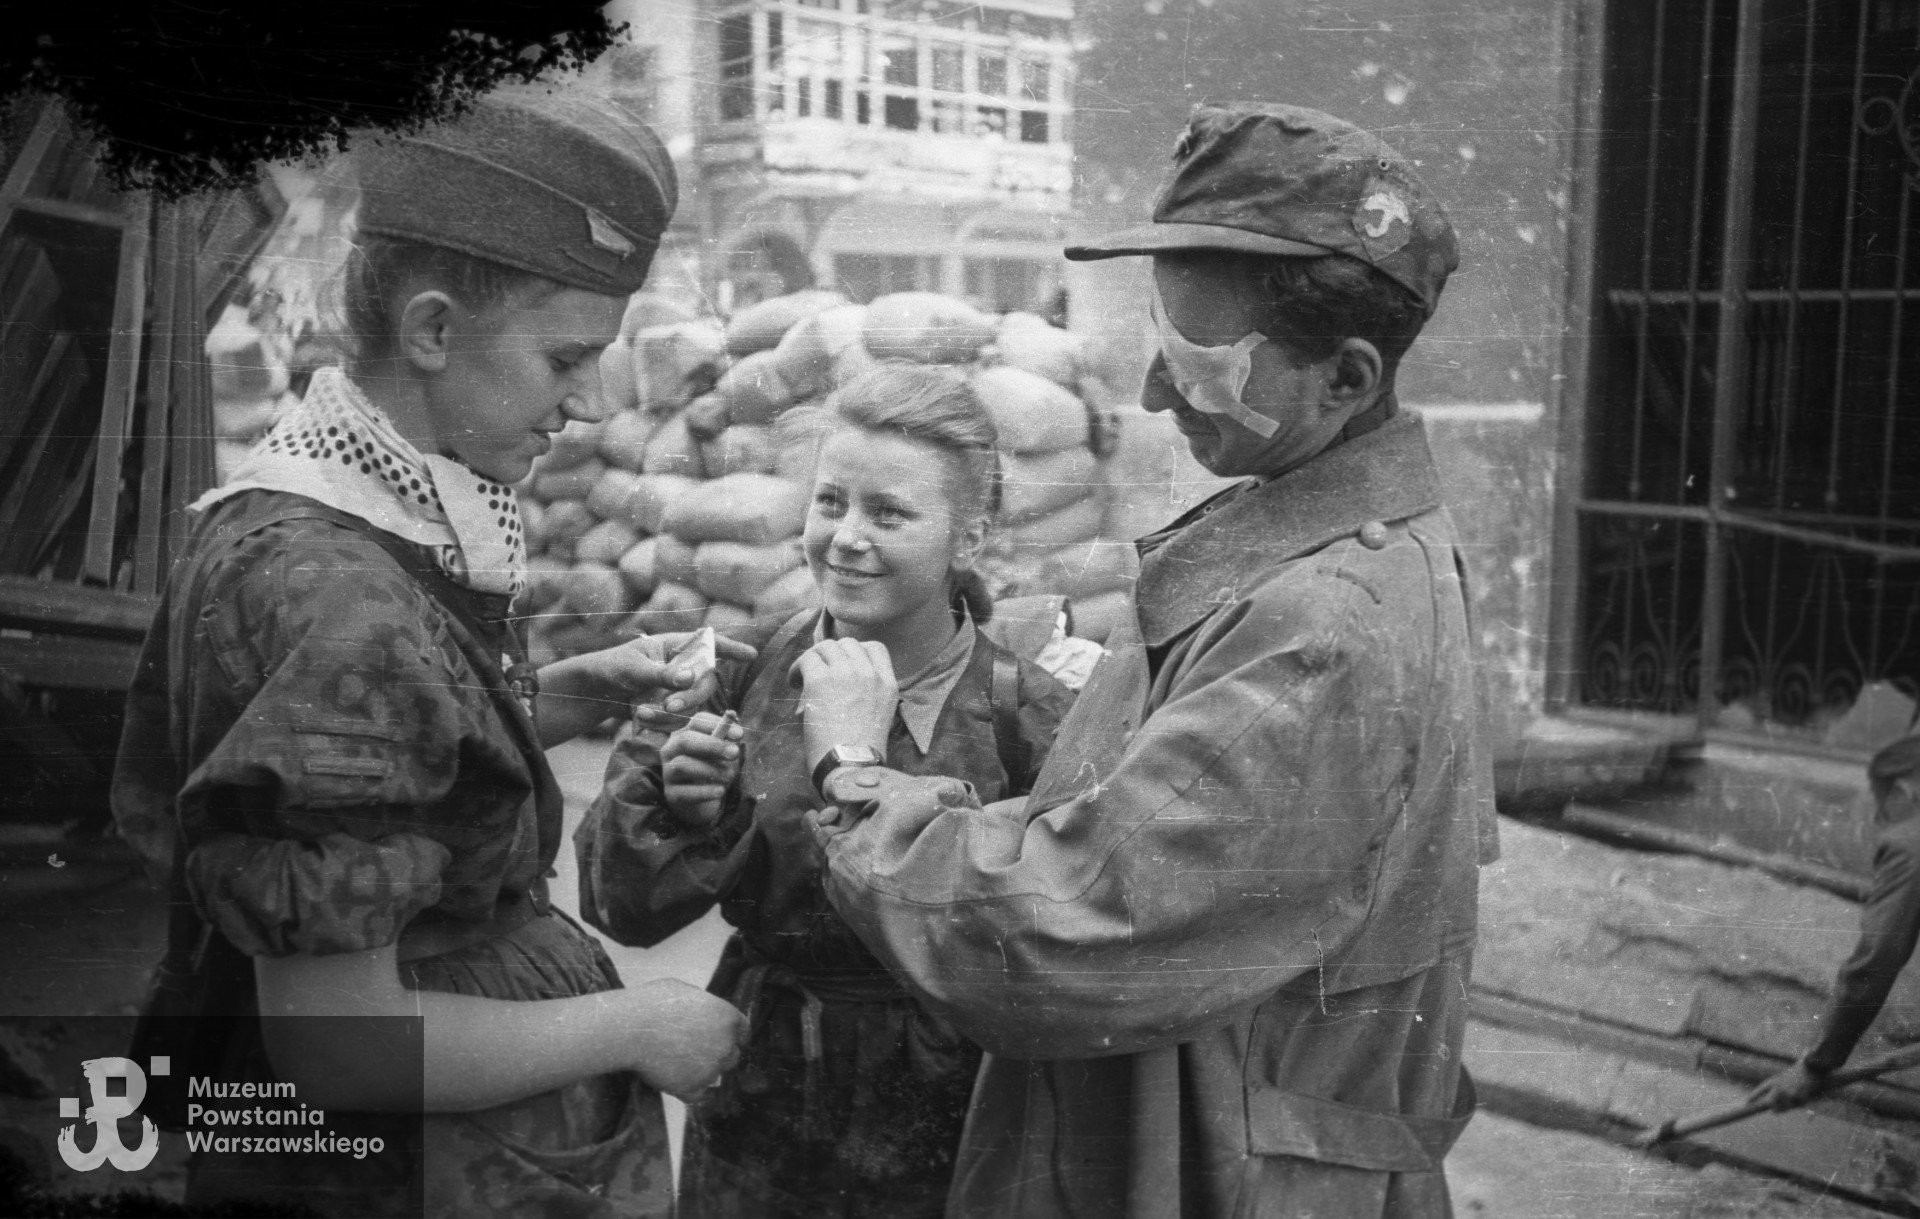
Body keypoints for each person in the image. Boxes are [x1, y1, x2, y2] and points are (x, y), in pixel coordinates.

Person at [798, 102, 1500, 1218]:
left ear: (1349, 378)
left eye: (1200, 364)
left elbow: (1051, 928)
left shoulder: (1321, 626)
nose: (1155, 396)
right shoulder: (1333, 555)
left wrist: (853, 774)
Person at [111, 90, 749, 1218]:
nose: (592, 404)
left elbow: (393, 763)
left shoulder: (309, 509)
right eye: (565, 360)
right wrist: (641, 1022)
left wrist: (551, 699)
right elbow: (341, 1049)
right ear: (435, 329)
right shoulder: (337, 600)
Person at [575, 363, 1075, 1218]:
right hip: (761, 1089)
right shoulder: (746, 667)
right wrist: (686, 811)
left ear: (971, 537)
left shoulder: (1028, 713)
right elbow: (619, 906)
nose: (845, 537)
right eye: (830, 501)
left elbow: (1058, 939)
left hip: (948, 1101)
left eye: (889, 513)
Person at [1751, 732, 1920, 1110]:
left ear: (1904, 792)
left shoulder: (1911, 844)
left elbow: (1877, 958)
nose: (1879, 819)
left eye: (1882, 804)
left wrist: (1815, 1065)